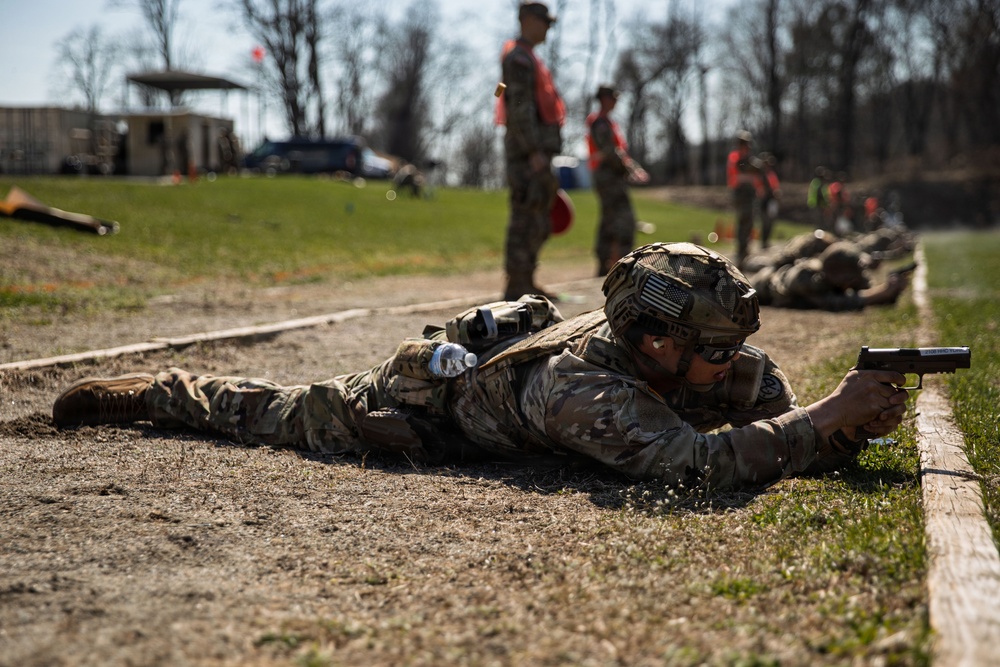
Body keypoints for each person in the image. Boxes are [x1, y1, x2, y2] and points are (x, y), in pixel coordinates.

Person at [52, 243, 909, 491]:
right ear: (655, 341)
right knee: (279, 414)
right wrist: (827, 414)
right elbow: (698, 467)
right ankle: (161, 390)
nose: (737, 366)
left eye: (733, 344)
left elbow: (783, 439)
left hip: (494, 386)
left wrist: (849, 428)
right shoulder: (589, 389)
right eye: (716, 349)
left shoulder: (720, 365)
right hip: (427, 400)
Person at [496, 1, 566, 301]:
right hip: (528, 154)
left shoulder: (530, 58)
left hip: (535, 153)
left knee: (536, 217)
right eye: (543, 21)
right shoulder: (519, 59)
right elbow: (520, 107)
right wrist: (534, 149)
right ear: (526, 19)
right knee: (525, 216)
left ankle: (526, 279)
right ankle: (517, 283)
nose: (548, 28)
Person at [586, 84, 649, 277]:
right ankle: (622, 264)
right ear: (604, 99)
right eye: (613, 98)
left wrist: (631, 167)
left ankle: (605, 263)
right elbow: (611, 153)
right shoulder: (600, 123)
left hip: (610, 175)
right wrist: (630, 169)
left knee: (609, 219)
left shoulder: (606, 122)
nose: (615, 102)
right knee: (624, 221)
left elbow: (617, 152)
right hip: (608, 176)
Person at [748, 240, 910, 311]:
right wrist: (883, 292)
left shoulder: (827, 276)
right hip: (761, 285)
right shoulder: (808, 280)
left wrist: (890, 292)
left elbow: (862, 288)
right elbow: (836, 303)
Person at [725, 131, 760, 268]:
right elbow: (737, 177)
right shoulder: (735, 157)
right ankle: (741, 252)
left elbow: (756, 174)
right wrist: (748, 176)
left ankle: (745, 250)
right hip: (740, 193)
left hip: (750, 194)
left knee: (750, 222)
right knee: (743, 220)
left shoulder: (750, 159)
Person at [756, 153, 781, 250]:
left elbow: (775, 186)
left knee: (770, 222)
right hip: (764, 201)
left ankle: (766, 240)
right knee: (765, 222)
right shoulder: (761, 175)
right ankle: (763, 241)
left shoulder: (771, 174)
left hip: (771, 200)